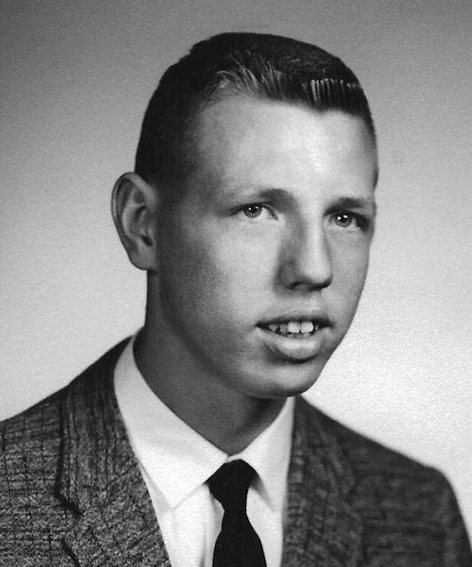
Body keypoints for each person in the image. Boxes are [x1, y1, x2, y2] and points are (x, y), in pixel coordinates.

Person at [0, 32, 470, 566]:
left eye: (344, 218)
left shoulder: (421, 517)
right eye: (256, 210)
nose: (314, 269)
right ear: (142, 225)